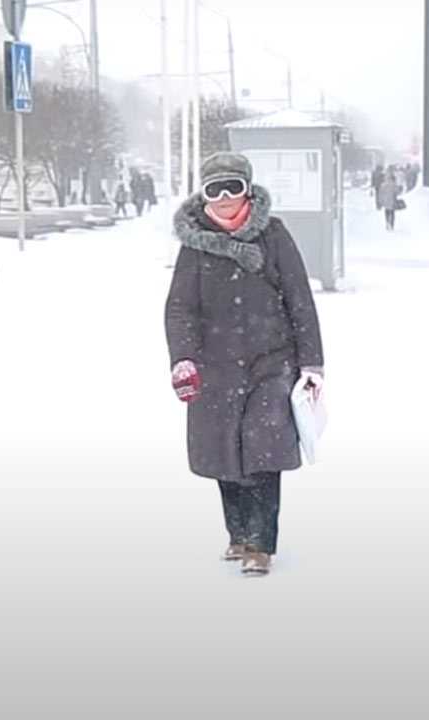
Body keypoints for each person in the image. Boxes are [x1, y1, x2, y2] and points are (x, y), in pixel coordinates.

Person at [165, 152, 325, 578]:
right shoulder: (195, 244)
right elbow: (180, 308)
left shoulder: (273, 235)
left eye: (231, 187)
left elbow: (299, 299)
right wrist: (183, 358)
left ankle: (260, 544)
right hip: (214, 367)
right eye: (213, 189)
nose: (223, 198)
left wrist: (311, 363)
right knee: (224, 453)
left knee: (263, 450)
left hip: (271, 363)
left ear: (248, 191)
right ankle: (238, 534)